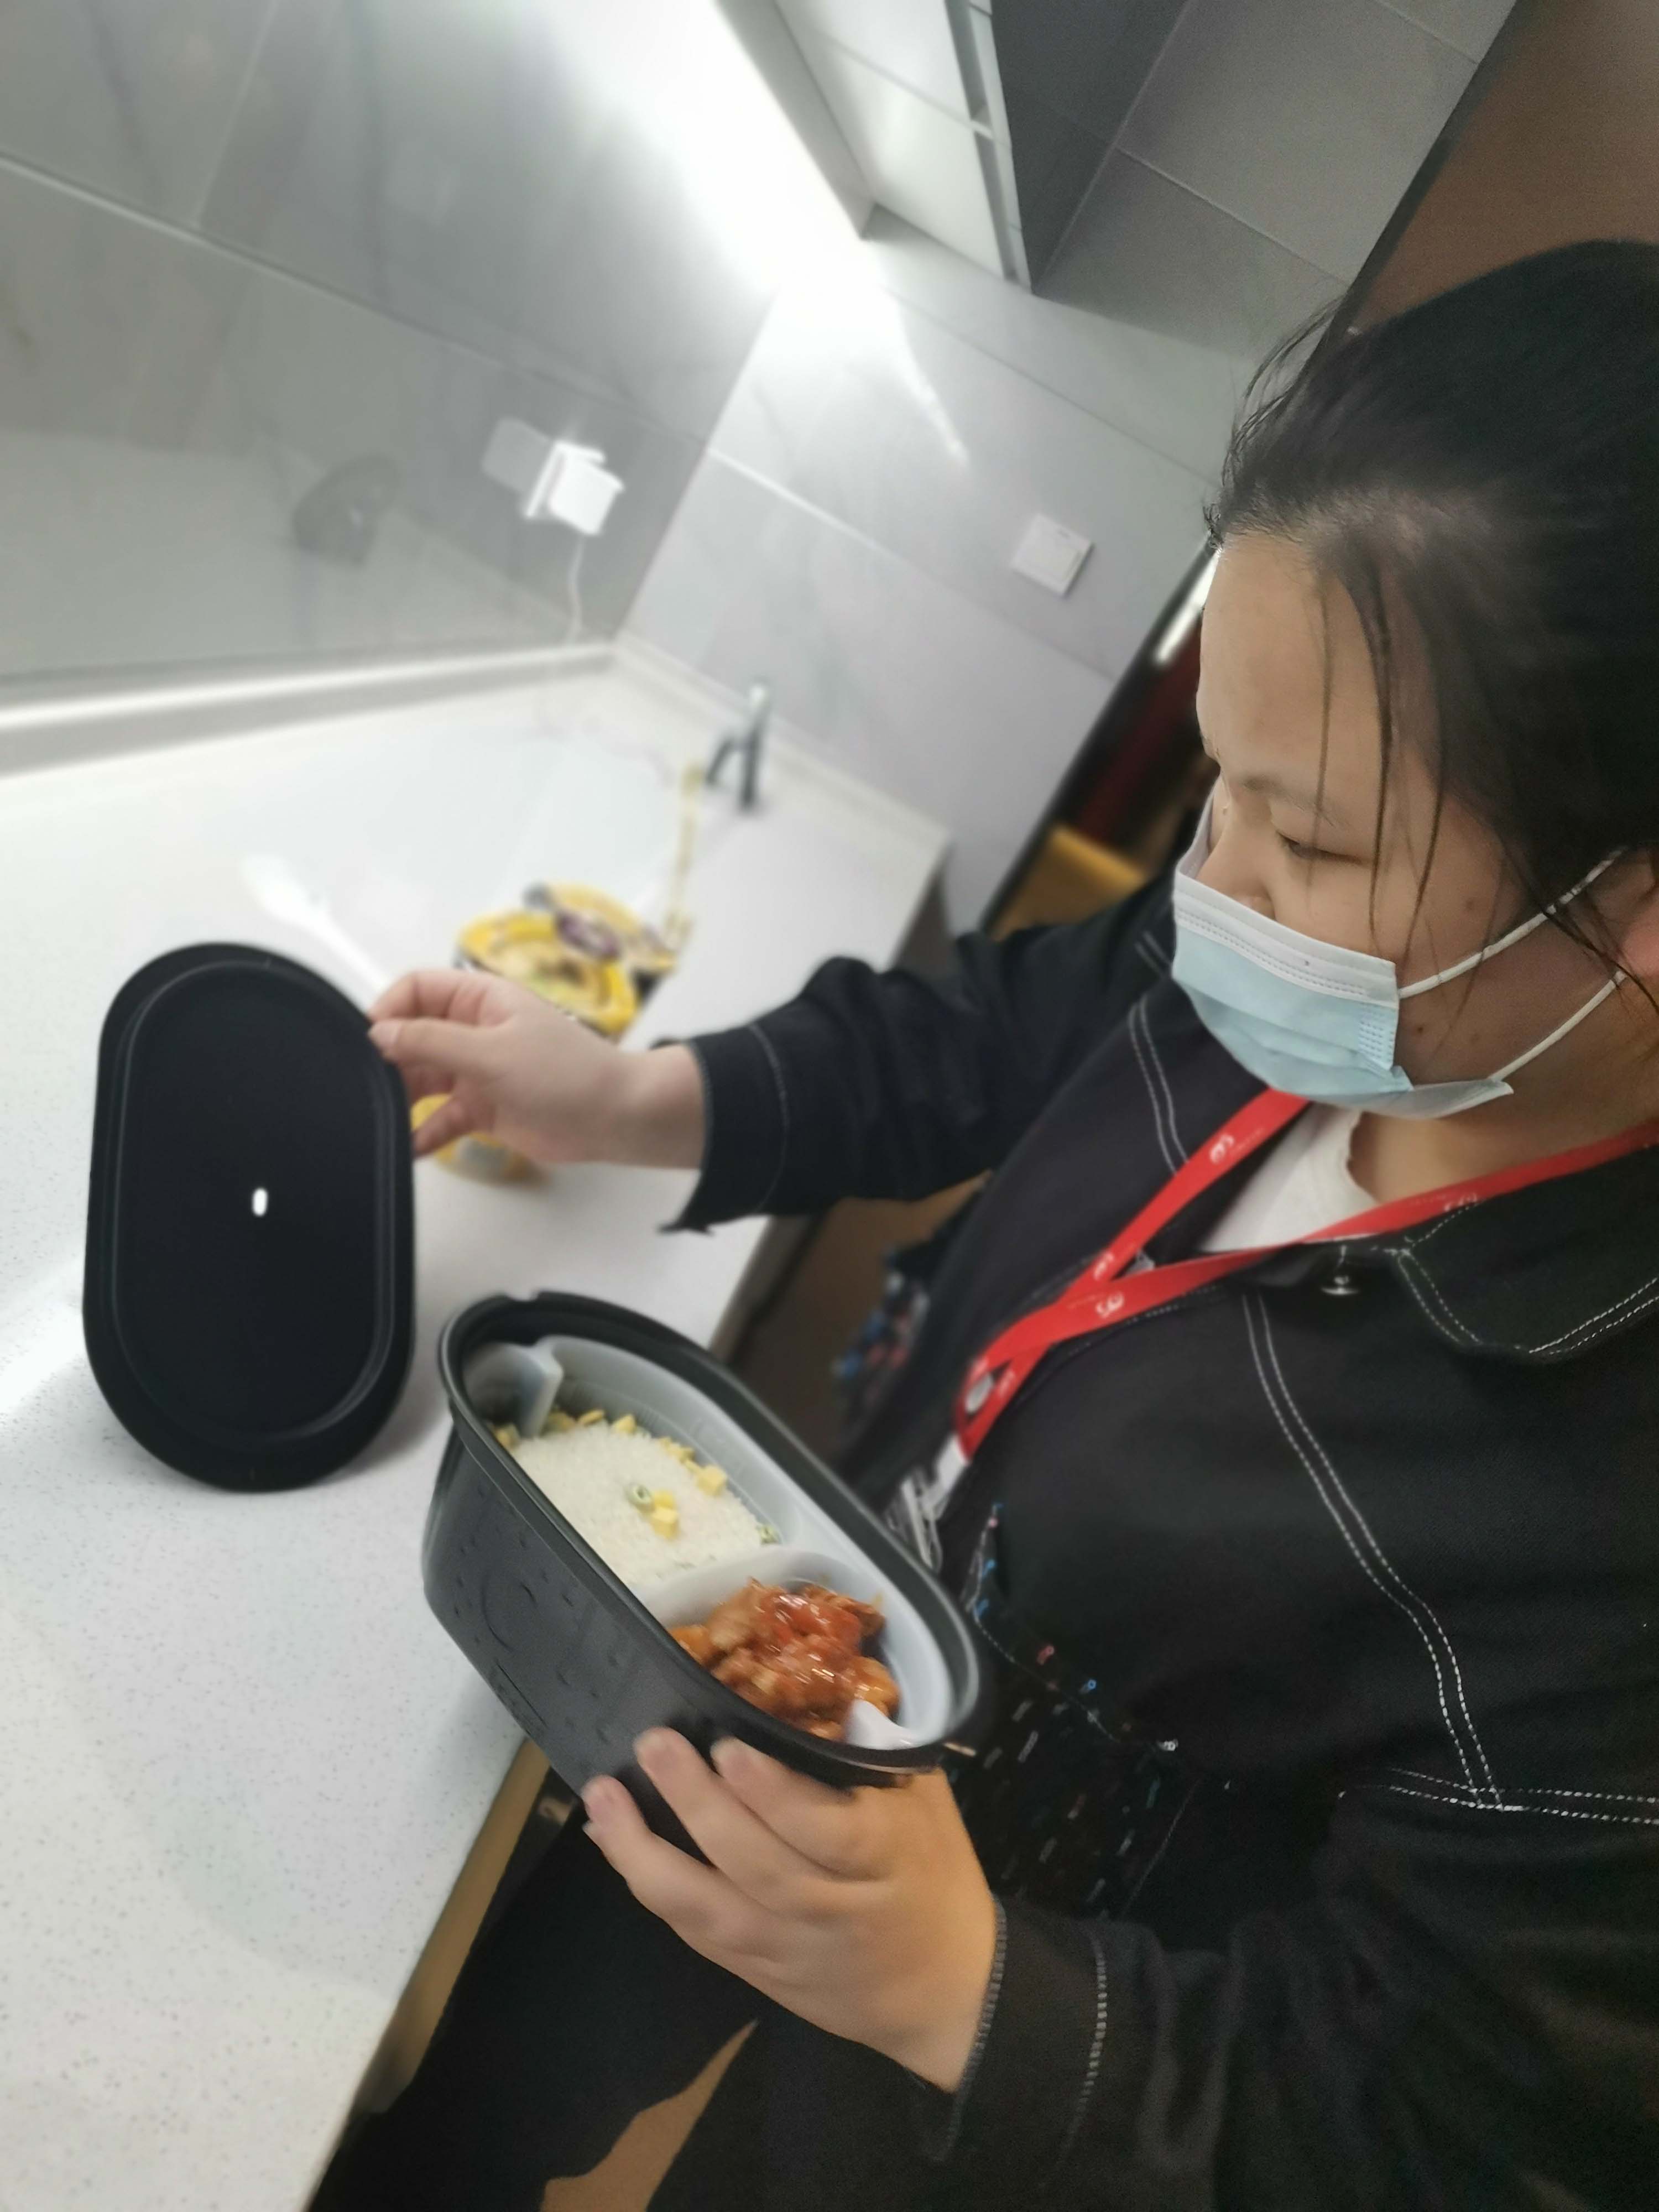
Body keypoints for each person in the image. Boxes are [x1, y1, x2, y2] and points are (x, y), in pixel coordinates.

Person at [347, 244, 1659, 2209]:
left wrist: (966, 1991)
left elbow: (1447, 2126)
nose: (1211, 879)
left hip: (991, 2076)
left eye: (1305, 836)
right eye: (1217, 781)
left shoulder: (1611, 1515)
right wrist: (636, 1098)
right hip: (797, 1687)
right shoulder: (1280, 952)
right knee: (484, 2102)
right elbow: (985, 1037)